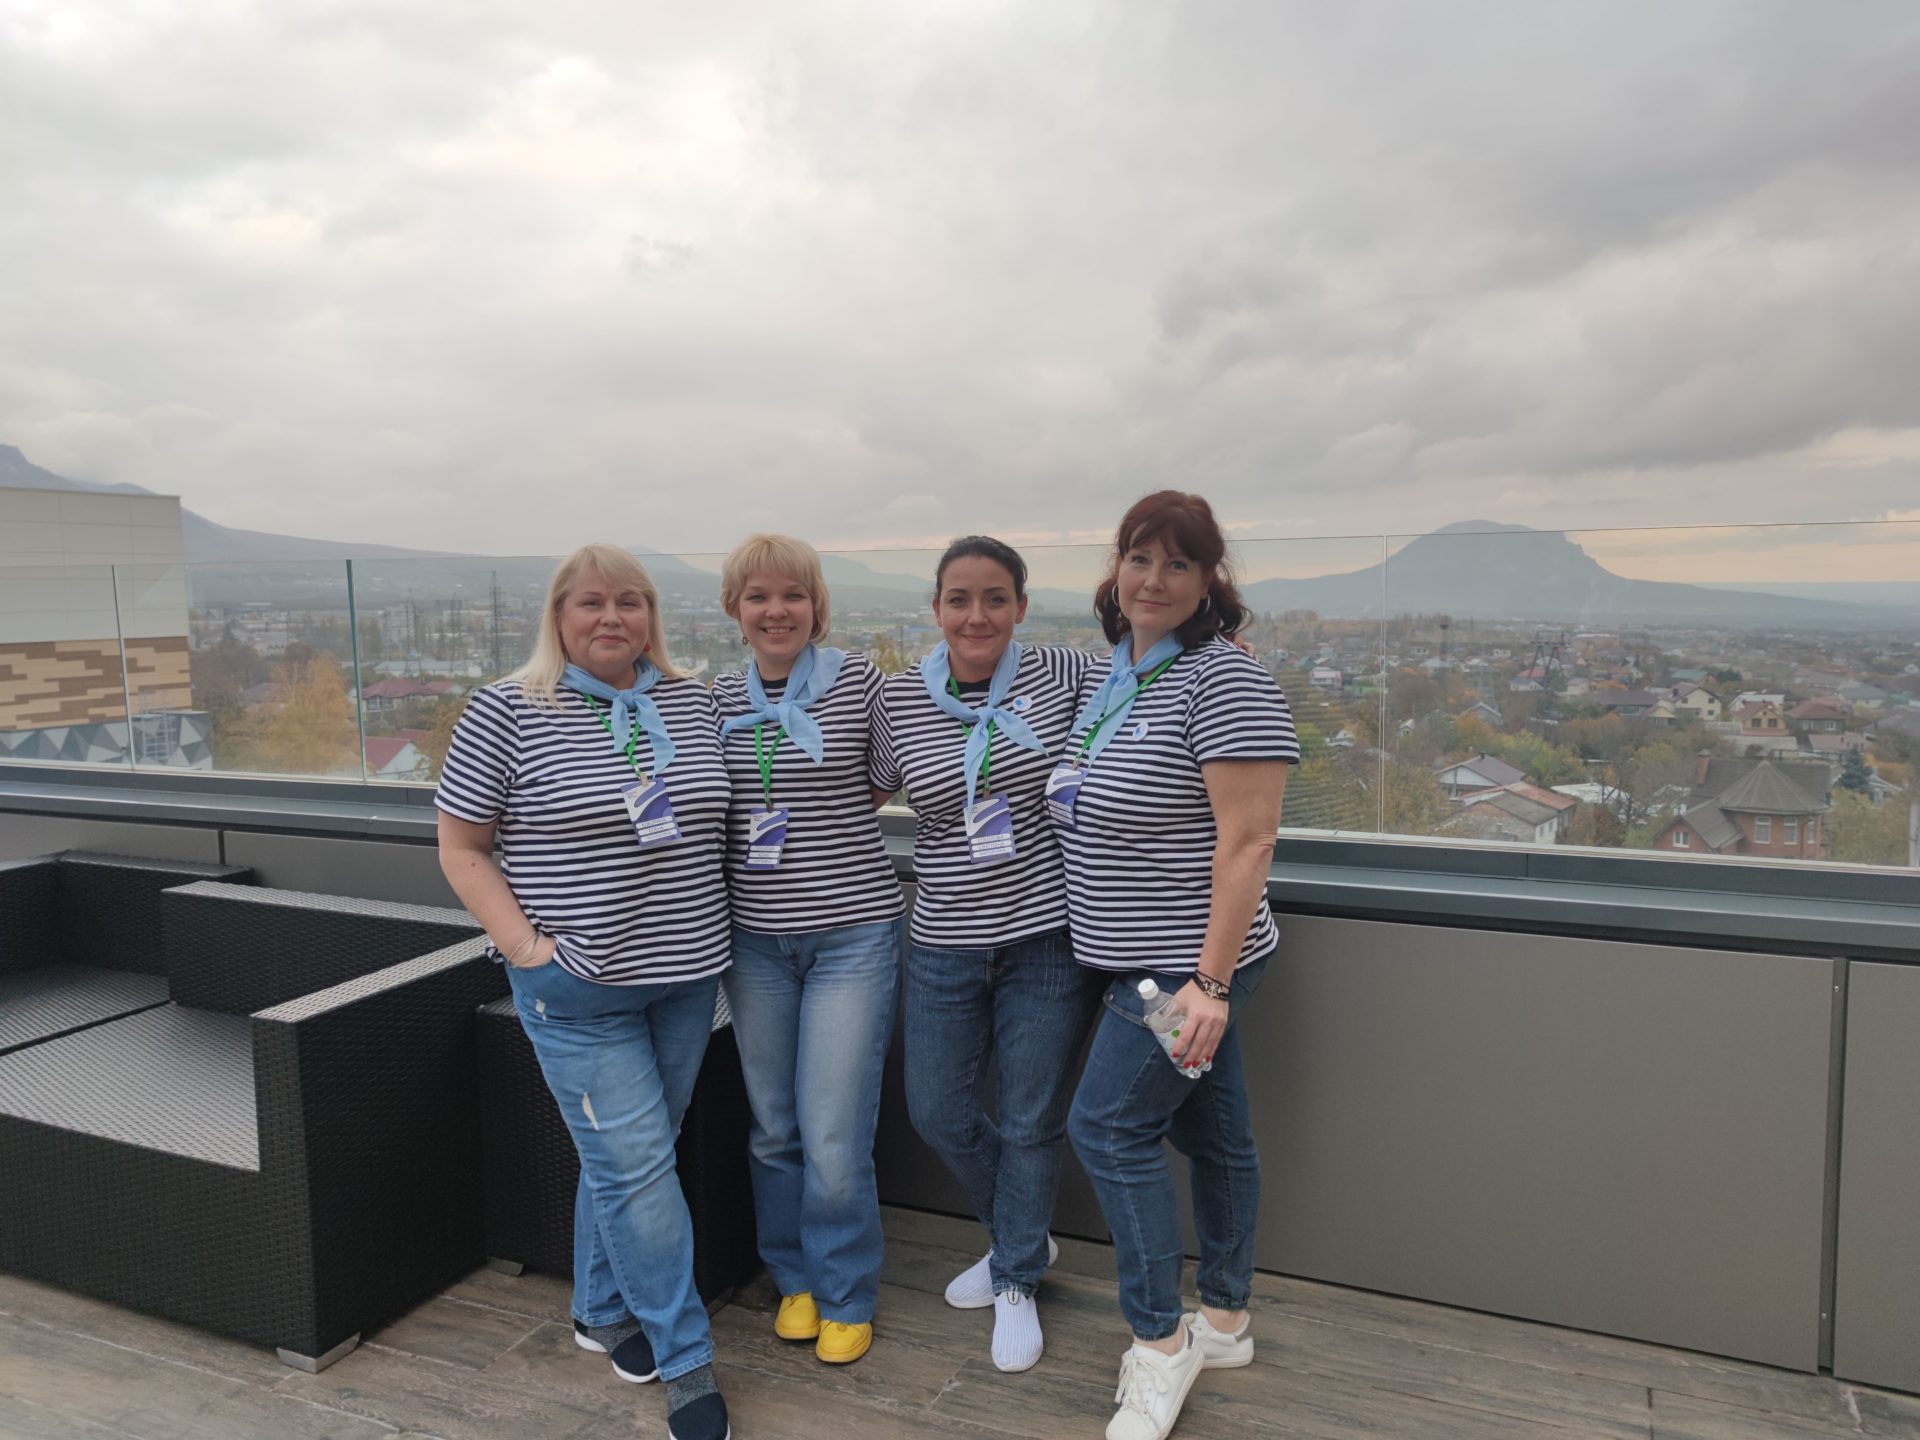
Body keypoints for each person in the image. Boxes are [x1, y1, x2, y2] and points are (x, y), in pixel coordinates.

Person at [435, 544, 732, 1440]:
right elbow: (462, 846)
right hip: (578, 990)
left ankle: (599, 1310)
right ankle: (687, 1359)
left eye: (631, 601)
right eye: (592, 602)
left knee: (633, 1159)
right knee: (639, 1172)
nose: (613, 617)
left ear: (653, 616)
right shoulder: (507, 708)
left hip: (685, 978)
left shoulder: (690, 701)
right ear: (559, 616)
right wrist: (527, 950)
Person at [1057, 493, 1299, 1440]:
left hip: (1174, 971)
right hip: (1136, 957)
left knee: (1109, 1129)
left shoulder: (1225, 682)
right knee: (1214, 1134)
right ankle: (1226, 1321)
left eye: (1178, 563)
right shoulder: (1111, 671)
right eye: (1138, 558)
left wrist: (1211, 986)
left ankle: (1160, 1345)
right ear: (1115, 568)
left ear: (1209, 580)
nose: (1153, 579)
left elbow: (1249, 843)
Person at [870, 535, 1105, 1374]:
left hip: (1048, 937)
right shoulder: (901, 698)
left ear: (1021, 607)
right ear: (936, 609)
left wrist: (1226, 656)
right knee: (937, 1109)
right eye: (960, 599)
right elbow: (856, 791)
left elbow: (1154, 684)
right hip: (943, 938)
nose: (977, 615)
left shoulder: (1066, 675)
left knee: (1034, 1117)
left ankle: (1015, 1280)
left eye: (995, 598)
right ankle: (1023, 1236)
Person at [711, 534, 905, 1366]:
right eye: (758, 595)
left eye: (793, 594)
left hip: (851, 936)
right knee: (773, 1126)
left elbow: (887, 777)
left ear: (816, 606)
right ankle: (793, 1279)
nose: (776, 610)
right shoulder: (716, 697)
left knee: (833, 1131)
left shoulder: (860, 683)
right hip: (753, 942)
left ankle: (845, 1290)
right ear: (735, 610)